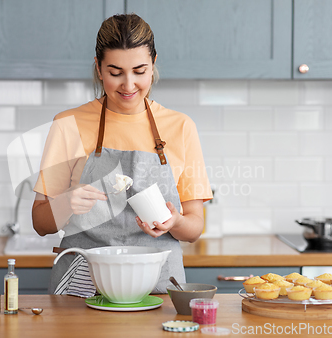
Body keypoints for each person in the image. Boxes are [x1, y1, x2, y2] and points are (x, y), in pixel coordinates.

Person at [32, 13, 212, 296]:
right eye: (115, 73)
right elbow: (40, 223)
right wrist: (66, 203)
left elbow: (194, 228)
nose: (128, 85)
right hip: (84, 286)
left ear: (153, 64)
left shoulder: (180, 127)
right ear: (99, 68)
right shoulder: (68, 124)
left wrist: (175, 222)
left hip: (157, 285)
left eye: (139, 71)